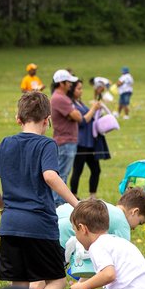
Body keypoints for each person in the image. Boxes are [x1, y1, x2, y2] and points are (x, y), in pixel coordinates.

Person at [0, 91, 77, 289]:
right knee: (57, 279)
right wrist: (76, 204)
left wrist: (2, 205)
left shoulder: (6, 143)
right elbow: (50, 176)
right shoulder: (46, 144)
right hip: (39, 225)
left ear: (18, 119)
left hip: (11, 226)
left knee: (20, 283)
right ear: (47, 121)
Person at [67, 79, 104, 199]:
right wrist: (93, 109)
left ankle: (92, 196)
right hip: (80, 142)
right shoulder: (70, 105)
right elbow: (82, 121)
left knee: (96, 169)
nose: (81, 91)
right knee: (78, 170)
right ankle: (73, 196)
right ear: (72, 90)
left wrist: (97, 111)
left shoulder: (79, 103)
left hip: (90, 142)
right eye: (78, 88)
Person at [49, 69, 82, 200]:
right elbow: (78, 116)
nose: (70, 85)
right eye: (68, 82)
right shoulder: (60, 98)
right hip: (65, 142)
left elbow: (76, 116)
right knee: (61, 176)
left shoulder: (61, 98)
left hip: (67, 141)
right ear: (61, 83)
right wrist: (73, 114)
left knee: (63, 174)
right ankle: (57, 204)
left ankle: (59, 202)